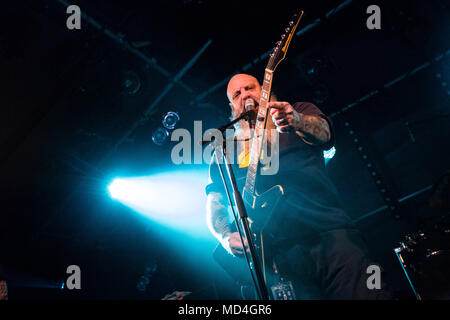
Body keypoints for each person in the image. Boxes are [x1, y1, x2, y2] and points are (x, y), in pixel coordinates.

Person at [205, 73, 392, 299]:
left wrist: (298, 120)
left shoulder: (297, 111)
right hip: (279, 258)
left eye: (249, 87)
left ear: (264, 89)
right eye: (237, 93)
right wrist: (224, 236)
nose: (245, 94)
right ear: (231, 104)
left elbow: (325, 134)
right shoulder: (226, 151)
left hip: (331, 237)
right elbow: (214, 200)